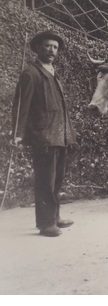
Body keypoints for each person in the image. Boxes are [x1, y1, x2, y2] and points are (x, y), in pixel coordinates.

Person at [11, 31, 77, 237]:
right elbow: (21, 107)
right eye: (48, 46)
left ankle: (54, 217)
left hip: (59, 134)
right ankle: (45, 224)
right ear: (38, 47)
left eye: (55, 47)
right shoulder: (30, 73)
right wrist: (18, 134)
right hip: (43, 135)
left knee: (57, 179)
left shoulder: (52, 72)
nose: (52, 50)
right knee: (45, 180)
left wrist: (70, 133)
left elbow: (61, 107)